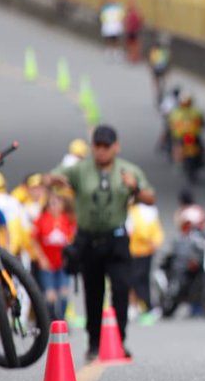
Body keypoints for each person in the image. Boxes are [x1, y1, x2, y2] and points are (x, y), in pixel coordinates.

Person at [46, 124, 155, 362]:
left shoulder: (128, 170)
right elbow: (52, 177)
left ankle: (119, 340)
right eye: (98, 146)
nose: (102, 151)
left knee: (120, 290)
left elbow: (150, 197)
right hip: (88, 239)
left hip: (116, 238)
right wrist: (56, 179)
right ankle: (94, 342)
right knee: (93, 292)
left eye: (107, 146)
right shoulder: (80, 170)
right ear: (92, 146)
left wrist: (134, 187)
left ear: (116, 146)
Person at [30, 191, 77, 322]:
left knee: (63, 293)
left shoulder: (67, 219)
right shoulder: (42, 219)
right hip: (47, 263)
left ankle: (62, 319)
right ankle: (51, 320)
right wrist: (41, 257)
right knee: (50, 295)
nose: (54, 206)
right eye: (52, 204)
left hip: (62, 262)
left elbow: (72, 237)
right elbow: (34, 239)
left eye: (57, 203)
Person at [127, 198, 165, 318]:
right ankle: (139, 305)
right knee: (141, 279)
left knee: (137, 280)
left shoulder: (135, 212)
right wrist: (154, 242)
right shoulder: (149, 211)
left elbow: (138, 231)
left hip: (137, 250)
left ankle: (144, 305)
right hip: (142, 250)